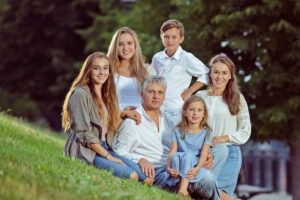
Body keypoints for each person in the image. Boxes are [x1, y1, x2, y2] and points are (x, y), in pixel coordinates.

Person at [113, 75, 219, 199]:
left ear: (164, 96)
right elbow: (118, 151)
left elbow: (190, 141)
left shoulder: (170, 120)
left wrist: (207, 154)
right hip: (157, 174)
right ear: (142, 94)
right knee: (206, 179)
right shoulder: (132, 122)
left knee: (209, 176)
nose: (156, 96)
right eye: (151, 92)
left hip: (178, 167)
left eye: (160, 92)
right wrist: (139, 159)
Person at [62, 52, 152, 184]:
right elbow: (84, 133)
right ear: (88, 70)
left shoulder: (106, 96)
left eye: (105, 68)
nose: (101, 72)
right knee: (132, 176)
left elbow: (106, 118)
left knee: (146, 177)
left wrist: (124, 113)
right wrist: (110, 157)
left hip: (104, 147)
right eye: (96, 68)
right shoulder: (80, 94)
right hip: (86, 150)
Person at [196, 54, 251, 200]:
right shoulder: (200, 96)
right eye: (216, 72)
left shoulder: (237, 98)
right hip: (202, 152)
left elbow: (245, 130)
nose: (219, 76)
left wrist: (224, 138)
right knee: (202, 192)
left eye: (224, 73)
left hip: (229, 152)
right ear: (210, 74)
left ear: (230, 77)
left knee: (217, 194)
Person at [151, 19, 209, 127]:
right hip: (158, 108)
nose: (169, 40)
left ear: (181, 39)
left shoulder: (186, 58)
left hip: (176, 109)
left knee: (176, 140)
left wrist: (190, 91)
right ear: (161, 37)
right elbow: (152, 80)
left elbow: (206, 74)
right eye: (166, 36)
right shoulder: (157, 57)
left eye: (174, 37)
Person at [166, 95, 217, 199]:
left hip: (195, 166)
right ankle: (182, 189)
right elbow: (172, 153)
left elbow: (203, 155)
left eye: (199, 110)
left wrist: (197, 169)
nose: (195, 113)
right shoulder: (177, 131)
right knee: (180, 155)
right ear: (185, 112)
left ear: (204, 114)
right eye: (191, 110)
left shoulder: (207, 132)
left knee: (190, 157)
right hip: (179, 166)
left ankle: (183, 190)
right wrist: (168, 167)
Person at [107, 27, 151, 111]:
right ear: (115, 47)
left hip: (144, 120)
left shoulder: (148, 70)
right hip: (117, 120)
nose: (125, 48)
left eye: (129, 43)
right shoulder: (108, 71)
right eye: (120, 44)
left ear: (135, 45)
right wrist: (122, 112)